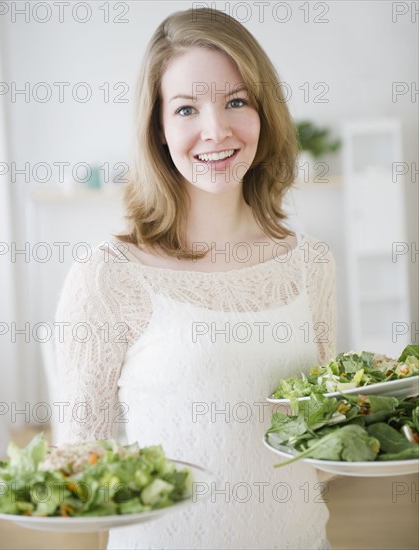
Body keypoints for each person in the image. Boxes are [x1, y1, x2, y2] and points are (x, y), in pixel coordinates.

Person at [54, 7, 337, 549]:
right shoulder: (108, 275)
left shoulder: (311, 262)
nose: (216, 130)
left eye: (236, 101)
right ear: (158, 129)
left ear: (264, 113)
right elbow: (77, 471)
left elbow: (321, 442)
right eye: (186, 108)